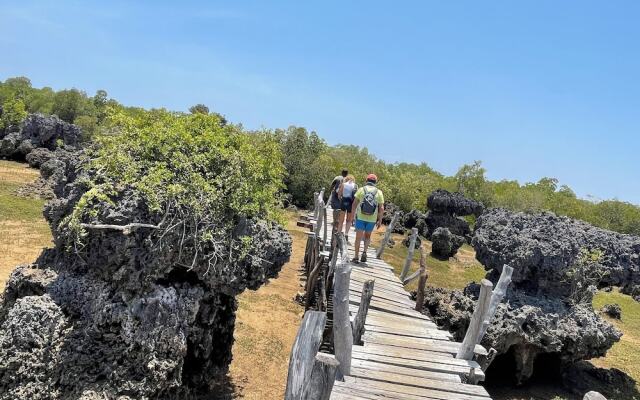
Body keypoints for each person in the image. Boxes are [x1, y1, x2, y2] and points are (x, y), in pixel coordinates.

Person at [351, 173, 384, 263]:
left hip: (360, 217)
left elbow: (354, 204)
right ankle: (364, 252)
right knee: (367, 236)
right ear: (375, 182)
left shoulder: (361, 190)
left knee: (358, 237)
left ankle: (356, 256)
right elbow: (381, 208)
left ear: (367, 181)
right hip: (372, 219)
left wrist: (352, 217)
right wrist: (380, 220)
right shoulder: (379, 192)